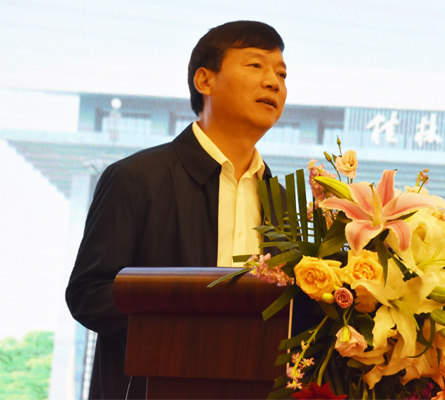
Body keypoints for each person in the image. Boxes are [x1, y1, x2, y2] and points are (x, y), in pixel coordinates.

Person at [65, 20, 287, 399]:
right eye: (255, 66)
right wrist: (193, 330)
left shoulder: (280, 200)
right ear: (204, 80)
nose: (273, 83)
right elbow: (90, 294)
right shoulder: (136, 178)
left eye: (281, 74)